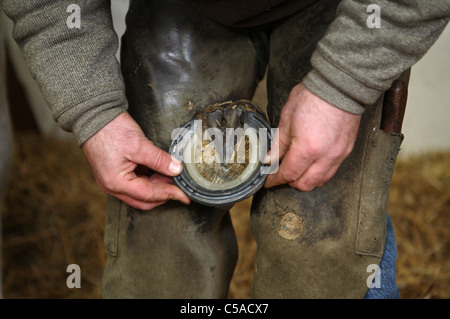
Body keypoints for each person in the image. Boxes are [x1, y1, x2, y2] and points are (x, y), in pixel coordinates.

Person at [1, 0, 448, 298]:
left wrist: (345, 83)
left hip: (342, 9)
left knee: (320, 235)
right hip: (185, 4)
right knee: (159, 231)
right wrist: (91, 108)